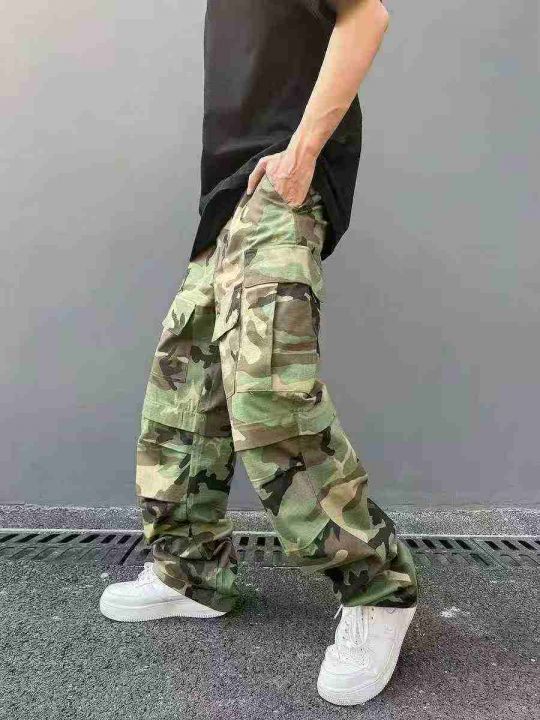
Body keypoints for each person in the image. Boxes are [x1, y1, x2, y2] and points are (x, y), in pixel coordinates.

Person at [100, 0, 418, 706]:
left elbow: (366, 15)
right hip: (230, 198)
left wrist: (302, 153)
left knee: (268, 391)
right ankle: (194, 572)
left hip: (279, 183)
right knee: (184, 390)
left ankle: (378, 587)